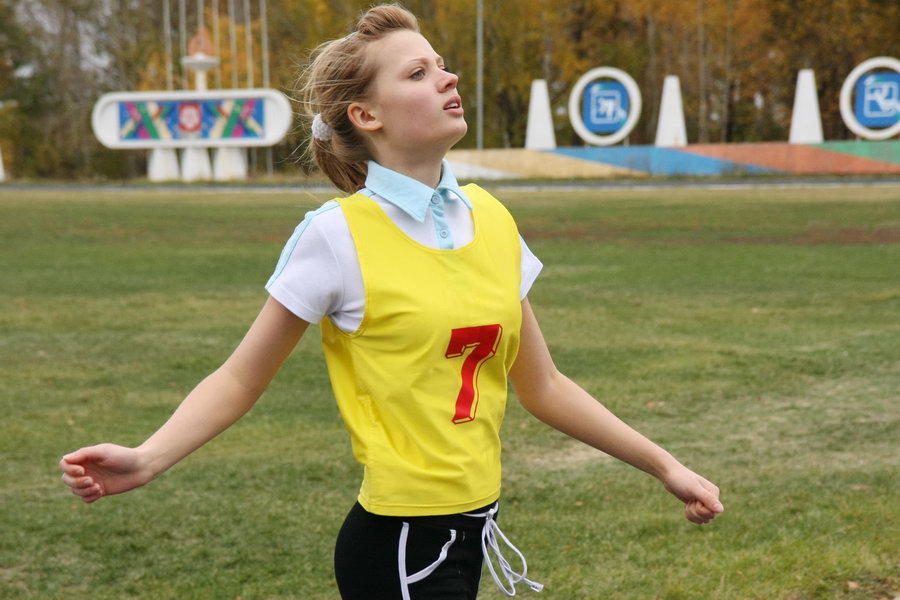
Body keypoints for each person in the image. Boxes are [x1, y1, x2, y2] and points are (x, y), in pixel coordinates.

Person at [60, 4, 724, 598]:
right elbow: (240, 377)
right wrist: (148, 457)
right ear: (366, 115)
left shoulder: (492, 218)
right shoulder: (336, 235)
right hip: (399, 548)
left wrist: (666, 467)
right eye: (417, 73)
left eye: (442, 65)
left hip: (472, 532)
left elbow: (544, 385)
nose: (447, 79)